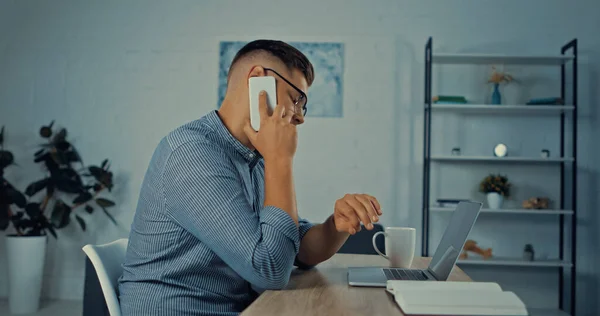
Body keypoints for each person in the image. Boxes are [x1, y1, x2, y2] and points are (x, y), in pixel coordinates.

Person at [118, 39, 383, 316]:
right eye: (297, 99)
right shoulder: (192, 153)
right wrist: (280, 159)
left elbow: (290, 246)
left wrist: (335, 226)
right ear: (258, 80)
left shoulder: (251, 158)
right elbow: (269, 270)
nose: (300, 117)